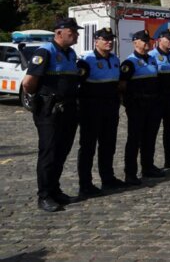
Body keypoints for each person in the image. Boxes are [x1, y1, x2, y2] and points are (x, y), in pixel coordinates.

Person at [23, 18, 82, 212]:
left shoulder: (70, 53)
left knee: (62, 151)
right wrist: (37, 99)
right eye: (73, 31)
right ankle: (44, 196)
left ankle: (55, 190)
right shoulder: (45, 52)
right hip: (50, 110)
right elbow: (28, 82)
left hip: (68, 109)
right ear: (59, 32)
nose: (77, 34)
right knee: (48, 152)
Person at [76, 27, 125, 198]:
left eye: (111, 39)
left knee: (108, 145)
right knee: (88, 147)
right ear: (96, 41)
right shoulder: (86, 61)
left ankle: (108, 177)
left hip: (110, 108)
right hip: (91, 109)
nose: (109, 42)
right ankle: (85, 184)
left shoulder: (115, 59)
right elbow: (78, 84)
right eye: (105, 39)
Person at [119, 30, 162, 184]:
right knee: (134, 140)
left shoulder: (151, 59)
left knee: (149, 137)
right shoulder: (129, 63)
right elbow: (122, 87)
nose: (147, 43)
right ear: (135, 42)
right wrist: (129, 104)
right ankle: (130, 173)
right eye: (143, 41)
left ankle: (148, 167)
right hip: (137, 106)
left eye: (148, 41)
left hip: (152, 104)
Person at [150, 28, 170, 168]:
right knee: (152, 132)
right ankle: (149, 163)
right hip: (157, 100)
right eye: (168, 39)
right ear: (159, 40)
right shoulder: (152, 56)